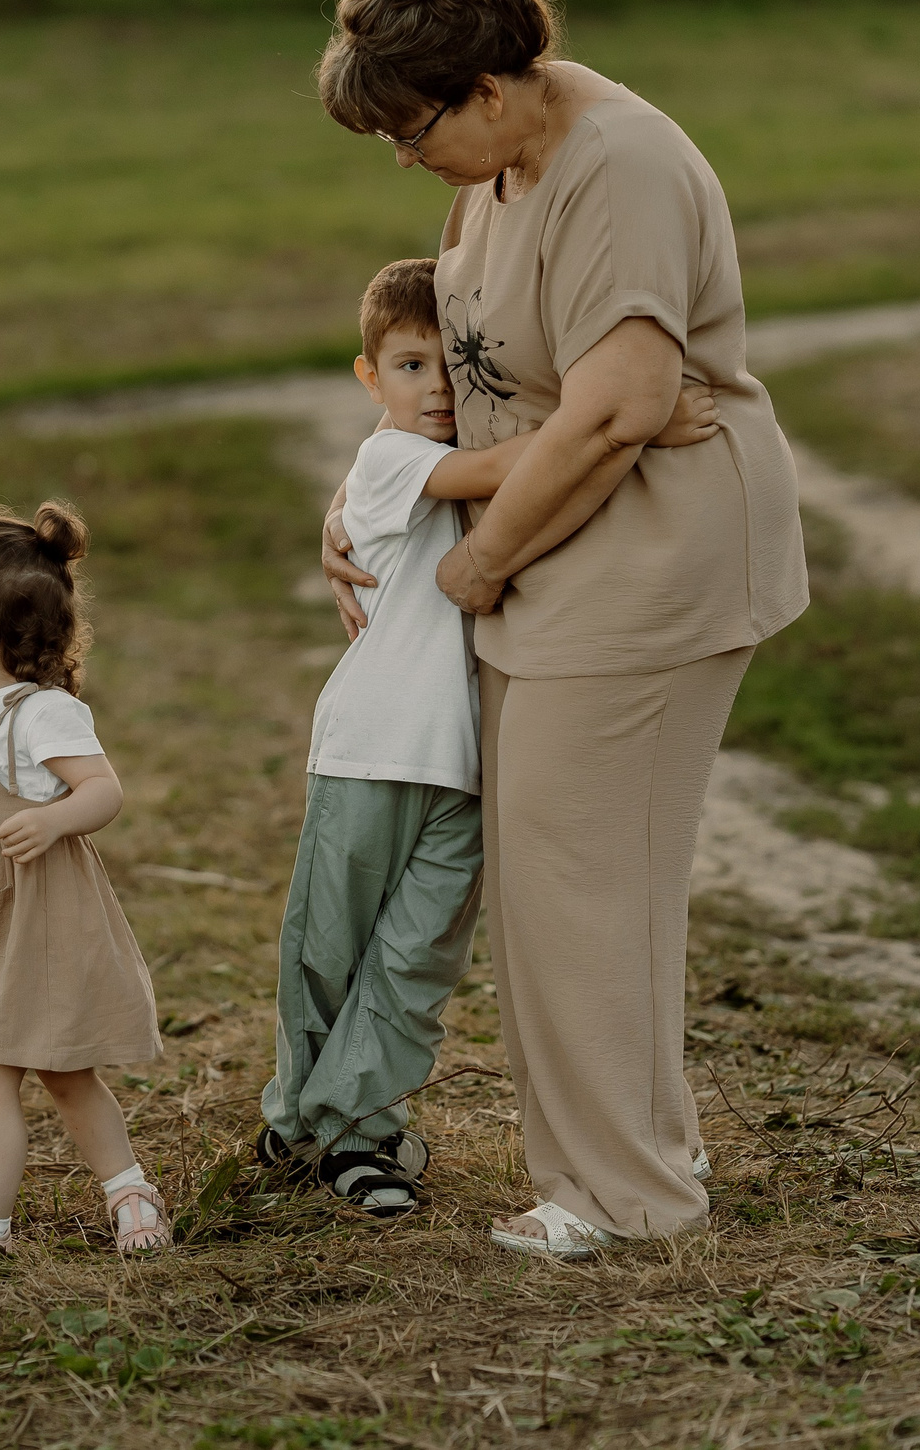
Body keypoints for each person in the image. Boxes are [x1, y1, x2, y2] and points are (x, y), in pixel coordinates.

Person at [318, 0, 810, 1259]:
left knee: (582, 871)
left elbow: (619, 413)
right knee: (552, 868)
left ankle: (625, 1195)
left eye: (410, 131)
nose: (402, 160)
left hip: (649, 561)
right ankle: (628, 1157)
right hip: (551, 557)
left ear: (486, 91)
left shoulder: (620, 168)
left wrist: (478, 559)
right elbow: (472, 370)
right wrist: (384, 499)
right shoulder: (503, 161)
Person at [261, 259, 720, 1216]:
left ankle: (351, 1125)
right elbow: (497, 466)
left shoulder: (481, 448)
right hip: (371, 753)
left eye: (449, 369)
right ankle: (303, 1117)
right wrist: (635, 421)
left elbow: (528, 470)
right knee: (329, 949)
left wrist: (609, 431)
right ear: (368, 377)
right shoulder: (389, 461)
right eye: (408, 366)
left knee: (415, 960)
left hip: (471, 769)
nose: (434, 390)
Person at [0, 503, 171, 1263]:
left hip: (35, 921)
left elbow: (103, 791)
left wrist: (54, 821)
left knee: (12, 1076)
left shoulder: (39, 712)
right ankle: (127, 1188)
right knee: (54, 1072)